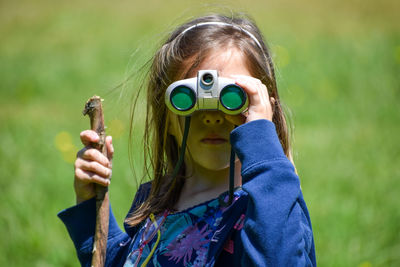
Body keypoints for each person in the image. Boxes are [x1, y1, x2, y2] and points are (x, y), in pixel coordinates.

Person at [58, 13, 316, 267]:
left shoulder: (270, 210)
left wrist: (262, 144)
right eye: (187, 100)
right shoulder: (160, 201)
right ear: (166, 114)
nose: (212, 117)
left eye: (233, 98)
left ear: (265, 109)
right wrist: (93, 205)